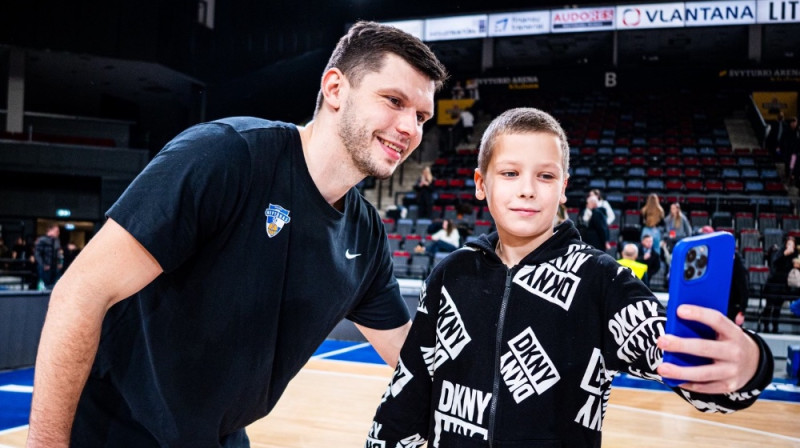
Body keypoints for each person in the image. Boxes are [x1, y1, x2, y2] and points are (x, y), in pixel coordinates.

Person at [27, 21, 448, 448]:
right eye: (394, 101)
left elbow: (409, 355)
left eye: (421, 116)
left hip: (220, 437)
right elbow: (79, 293)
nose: (410, 128)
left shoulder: (367, 236)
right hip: (116, 431)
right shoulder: (227, 155)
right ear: (336, 89)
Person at [365, 107, 773, 447]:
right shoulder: (449, 274)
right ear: (479, 183)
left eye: (545, 176)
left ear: (563, 188)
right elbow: (409, 390)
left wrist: (750, 363)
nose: (527, 189)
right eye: (509, 173)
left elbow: (674, 356)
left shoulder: (600, 279)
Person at [698, 226, 748, 326]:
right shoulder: (715, 259)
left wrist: (742, 312)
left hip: (733, 306)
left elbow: (744, 288)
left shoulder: (737, 262)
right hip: (717, 305)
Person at [761, 235, 797, 333]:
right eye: (789, 243)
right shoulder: (779, 252)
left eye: (792, 244)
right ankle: (765, 325)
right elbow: (775, 263)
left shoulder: (794, 256)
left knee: (778, 308)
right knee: (769, 306)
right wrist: (785, 254)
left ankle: (775, 327)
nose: (790, 245)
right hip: (773, 284)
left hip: (783, 285)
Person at [33, 224, 62, 290]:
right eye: (56, 231)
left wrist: (59, 263)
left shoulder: (57, 240)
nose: (58, 233)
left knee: (53, 285)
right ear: (50, 230)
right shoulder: (42, 240)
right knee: (45, 284)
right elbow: (37, 254)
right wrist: (43, 265)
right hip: (45, 268)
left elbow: (58, 253)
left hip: (54, 268)